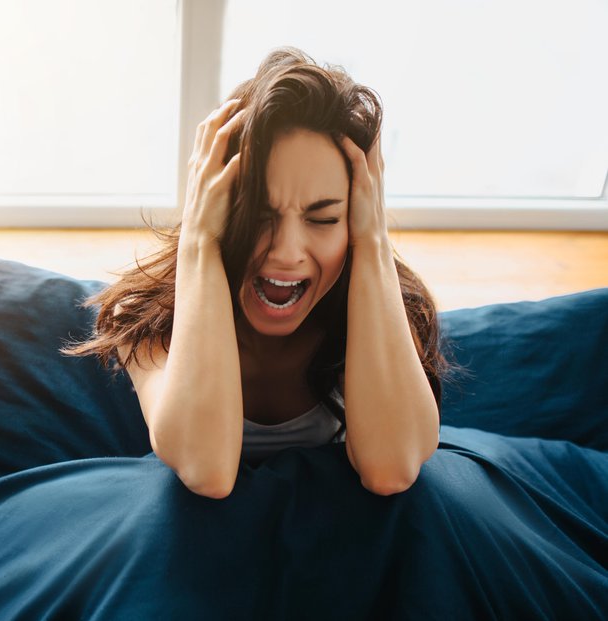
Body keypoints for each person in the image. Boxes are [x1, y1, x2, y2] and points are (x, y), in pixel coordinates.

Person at [63, 46, 451, 500]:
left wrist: (374, 241)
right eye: (258, 215)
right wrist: (199, 240)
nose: (286, 252)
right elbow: (206, 470)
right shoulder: (149, 314)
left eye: (323, 219)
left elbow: (392, 469)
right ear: (216, 207)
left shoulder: (382, 298)